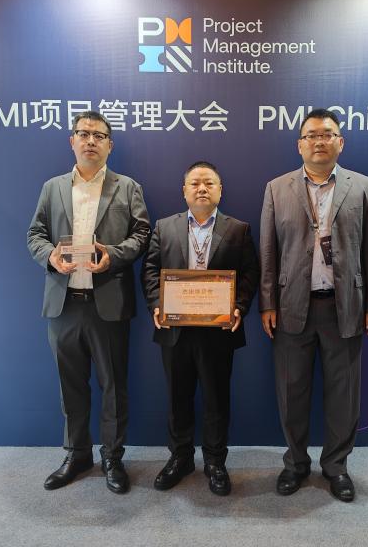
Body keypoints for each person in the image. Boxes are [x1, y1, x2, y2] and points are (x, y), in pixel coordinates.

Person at [259, 108, 368, 502]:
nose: (319, 141)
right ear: (299, 144)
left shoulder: (363, 186)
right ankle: (295, 464)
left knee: (343, 395)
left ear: (340, 142)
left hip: (344, 306)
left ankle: (336, 466)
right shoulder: (277, 188)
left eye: (327, 134)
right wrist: (267, 302)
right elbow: (268, 252)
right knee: (291, 392)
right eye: (311, 135)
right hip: (291, 307)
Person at [27, 110, 150, 493]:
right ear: (73, 141)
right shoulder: (52, 187)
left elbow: (142, 234)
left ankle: (112, 457)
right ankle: (77, 453)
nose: (91, 141)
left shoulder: (127, 187)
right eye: (84, 134)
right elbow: (35, 234)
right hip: (64, 304)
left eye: (99, 135)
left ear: (110, 145)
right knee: (71, 386)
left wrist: (112, 255)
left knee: (113, 386)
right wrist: (51, 256)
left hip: (107, 302)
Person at [141, 161, 259, 496]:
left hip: (218, 331)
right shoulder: (164, 227)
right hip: (174, 329)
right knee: (177, 397)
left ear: (220, 190)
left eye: (209, 183)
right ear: (184, 191)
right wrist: (157, 304)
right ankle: (180, 458)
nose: (202, 188)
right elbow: (150, 270)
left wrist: (239, 307)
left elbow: (250, 273)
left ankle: (215, 462)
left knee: (216, 399)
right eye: (195, 183)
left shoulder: (239, 229)